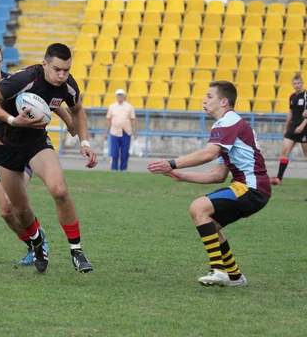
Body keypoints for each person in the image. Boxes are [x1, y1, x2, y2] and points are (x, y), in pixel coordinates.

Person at [0, 43, 98, 274]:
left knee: (59, 190)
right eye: (57, 69)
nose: (62, 75)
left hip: (35, 142)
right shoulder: (24, 79)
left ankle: (77, 251)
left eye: (66, 69)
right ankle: (37, 242)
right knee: (17, 209)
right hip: (4, 148)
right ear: (45, 64)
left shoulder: (68, 85)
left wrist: (85, 143)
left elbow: (77, 109)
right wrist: (13, 120)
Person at [148, 81, 270, 287]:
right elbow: (218, 174)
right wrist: (180, 175)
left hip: (251, 188)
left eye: (209, 96)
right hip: (253, 189)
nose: (204, 100)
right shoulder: (233, 125)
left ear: (224, 102)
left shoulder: (227, 122)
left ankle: (218, 270)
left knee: (198, 207)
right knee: (210, 224)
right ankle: (235, 276)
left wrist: (171, 162)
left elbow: (208, 153)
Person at [270, 73, 307, 185]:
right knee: (285, 151)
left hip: (304, 128)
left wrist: (302, 126)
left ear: (302, 83)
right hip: (292, 127)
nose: (297, 85)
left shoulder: (306, 95)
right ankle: (279, 178)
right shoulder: (292, 96)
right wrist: (286, 128)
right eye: (295, 83)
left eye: (298, 83)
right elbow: (290, 112)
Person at [104, 89, 137, 171]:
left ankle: (123, 169)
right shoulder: (112, 107)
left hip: (126, 132)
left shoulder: (129, 107)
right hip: (114, 132)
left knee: (125, 152)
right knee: (114, 152)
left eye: (121, 95)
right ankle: (114, 168)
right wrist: (106, 132)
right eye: (118, 95)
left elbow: (133, 120)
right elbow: (108, 120)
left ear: (124, 96)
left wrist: (134, 132)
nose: (120, 97)